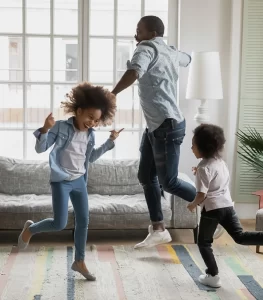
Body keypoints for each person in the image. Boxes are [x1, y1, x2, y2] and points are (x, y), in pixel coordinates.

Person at [18, 82, 121, 281]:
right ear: (79, 111)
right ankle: (30, 229)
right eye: (90, 117)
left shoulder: (90, 135)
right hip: (61, 181)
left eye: (96, 120)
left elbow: (90, 158)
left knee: (84, 221)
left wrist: (110, 142)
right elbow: (41, 149)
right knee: (59, 223)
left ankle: (79, 261)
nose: (92, 122)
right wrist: (46, 130)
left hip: (79, 181)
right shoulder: (61, 127)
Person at [111, 15, 196, 249]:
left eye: (139, 30)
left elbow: (135, 71)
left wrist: (113, 93)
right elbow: (187, 59)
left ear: (152, 34)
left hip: (166, 126)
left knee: (168, 182)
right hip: (158, 126)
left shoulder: (146, 48)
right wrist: (180, 55)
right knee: (146, 177)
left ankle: (213, 206)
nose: (135, 35)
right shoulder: (168, 51)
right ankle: (159, 229)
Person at [187, 124, 263, 288]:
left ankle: (213, 276)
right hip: (227, 206)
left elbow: (202, 194)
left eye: (193, 144)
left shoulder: (202, 168)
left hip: (212, 210)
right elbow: (214, 178)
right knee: (240, 236)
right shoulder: (219, 162)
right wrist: (198, 171)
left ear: (203, 148)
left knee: (204, 242)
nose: (191, 147)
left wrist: (193, 205)